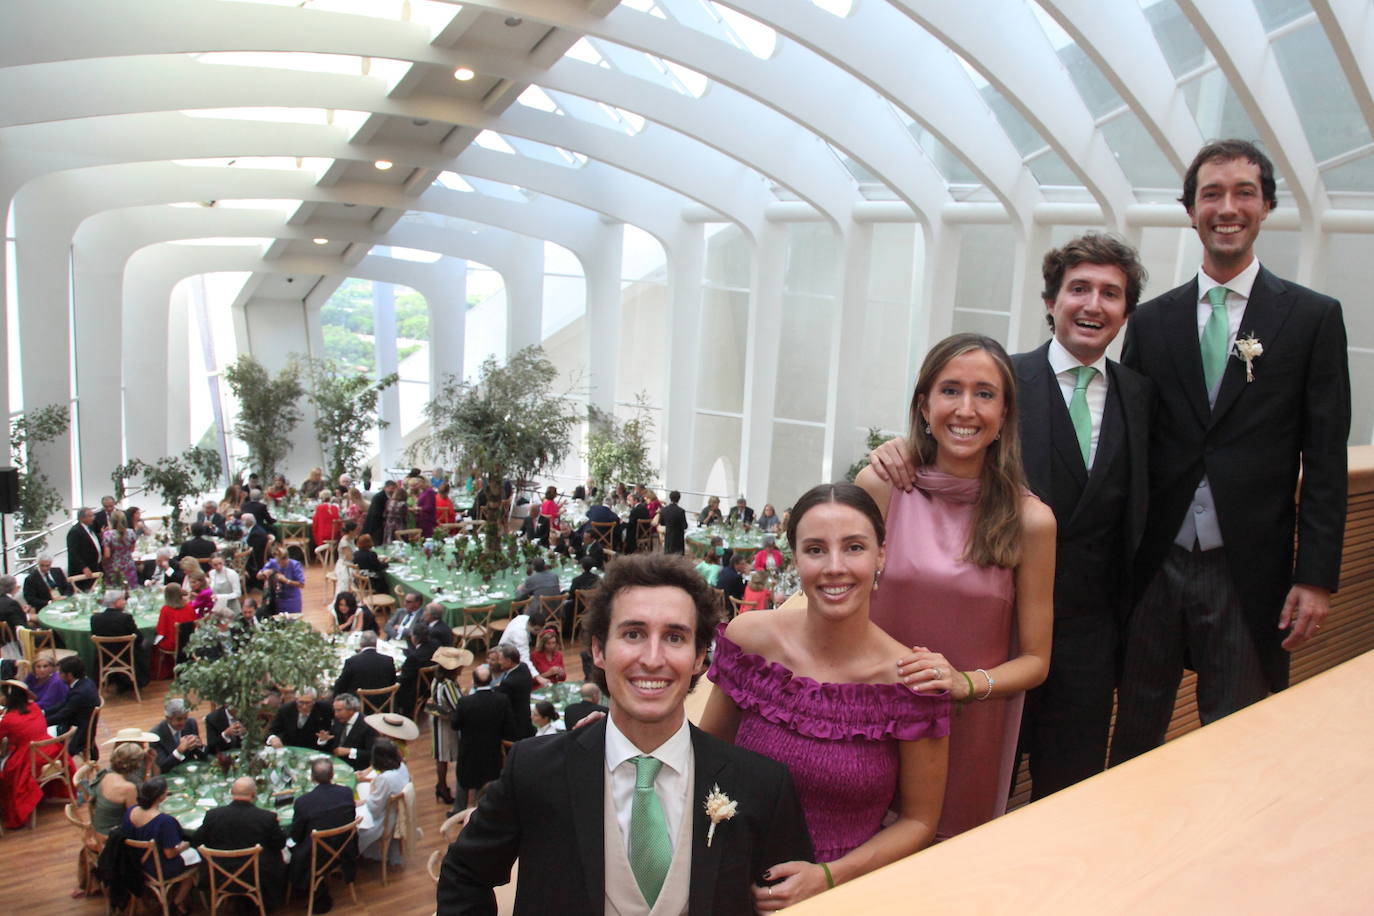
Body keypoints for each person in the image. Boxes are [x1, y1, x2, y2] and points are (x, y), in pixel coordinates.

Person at [868, 239, 1152, 799]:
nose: (1093, 304)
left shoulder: (1141, 396)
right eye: (1078, 289)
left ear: (1126, 312)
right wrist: (899, 448)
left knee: (1064, 795)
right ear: (1050, 301)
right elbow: (950, 425)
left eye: (1110, 293)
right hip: (968, 633)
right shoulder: (1000, 375)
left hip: (1080, 645)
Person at [1109, 141, 1352, 765]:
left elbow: (1325, 461)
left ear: (1266, 206)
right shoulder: (1153, 321)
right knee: (1133, 736)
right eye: (1211, 194)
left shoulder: (1312, 319)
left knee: (1238, 743)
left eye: (1244, 192)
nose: (1227, 207)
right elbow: (1123, 442)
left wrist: (1315, 577)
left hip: (1248, 570)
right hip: (1153, 565)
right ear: (1190, 210)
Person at [439, 551, 814, 914]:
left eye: (674, 637)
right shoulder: (533, 770)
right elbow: (464, 873)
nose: (652, 658)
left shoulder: (762, 785)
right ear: (599, 651)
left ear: (700, 657)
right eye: (633, 634)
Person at [701, 485, 949, 905]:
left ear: (881, 556)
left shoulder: (912, 682)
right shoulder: (750, 640)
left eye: (854, 547)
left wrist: (828, 878)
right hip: (730, 877)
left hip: (842, 894)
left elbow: (920, 822)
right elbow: (705, 756)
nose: (835, 567)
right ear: (794, 557)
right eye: (816, 549)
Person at [854, 333, 1055, 839]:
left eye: (985, 393)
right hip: (867, 712)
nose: (966, 409)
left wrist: (965, 683)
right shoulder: (881, 488)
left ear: (1005, 414)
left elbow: (1036, 661)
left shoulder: (1030, 520)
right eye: (950, 390)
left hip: (967, 726)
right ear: (924, 405)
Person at [192, 776, 288, 910]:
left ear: (231, 793)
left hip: (219, 875)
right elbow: (280, 844)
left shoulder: (213, 816)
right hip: (257, 876)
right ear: (254, 794)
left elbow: (197, 841)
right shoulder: (267, 818)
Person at [2, 679, 75, 828]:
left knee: (5, 771)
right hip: (52, 752)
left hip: (31, 758)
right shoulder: (34, 707)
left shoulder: (9, 720)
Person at [289, 758, 358, 913]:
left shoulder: (303, 802)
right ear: (332, 774)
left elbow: (296, 835)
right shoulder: (346, 792)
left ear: (312, 778)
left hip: (316, 855)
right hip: (344, 848)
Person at [448, 663, 518, 811]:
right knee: (489, 779)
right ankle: (486, 810)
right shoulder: (502, 700)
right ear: (490, 680)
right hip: (491, 748)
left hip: (469, 747)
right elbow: (509, 725)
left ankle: (458, 811)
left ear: (474, 681)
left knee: (463, 779)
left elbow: (455, 724)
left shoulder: (464, 702)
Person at [121, 777, 195, 913]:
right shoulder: (165, 822)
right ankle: (178, 901)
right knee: (197, 858)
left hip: (134, 861)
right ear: (161, 797)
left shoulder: (130, 811)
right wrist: (186, 845)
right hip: (157, 867)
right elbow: (170, 853)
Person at [428, 646, 472, 806]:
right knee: (444, 756)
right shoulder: (448, 685)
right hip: (446, 725)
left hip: (438, 721)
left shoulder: (437, 679)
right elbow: (458, 706)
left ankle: (441, 785)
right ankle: (442, 787)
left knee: (441, 757)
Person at [356, 738, 413, 862]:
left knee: (352, 821)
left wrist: (366, 798)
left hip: (384, 820)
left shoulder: (385, 779)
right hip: (392, 811)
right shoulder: (402, 766)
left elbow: (374, 808)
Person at [91, 590, 149, 688]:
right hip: (126, 656)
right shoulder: (125, 618)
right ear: (115, 602)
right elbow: (139, 638)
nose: (125, 602)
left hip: (105, 656)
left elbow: (94, 635)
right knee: (147, 642)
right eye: (122, 599)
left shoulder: (95, 618)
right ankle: (143, 677)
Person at [45, 656, 100, 755]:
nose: (58, 676)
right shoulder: (86, 682)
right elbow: (64, 704)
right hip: (80, 723)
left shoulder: (79, 693)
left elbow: (63, 715)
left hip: (79, 733)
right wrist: (43, 713)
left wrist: (40, 723)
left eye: (60, 673)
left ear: (69, 675)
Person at [90, 742, 145, 835]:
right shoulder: (128, 788)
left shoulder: (106, 775)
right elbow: (135, 819)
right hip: (112, 837)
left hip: (99, 828)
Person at [490, 643, 535, 739]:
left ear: (509, 661)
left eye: (500, 659)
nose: (498, 662)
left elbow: (496, 700)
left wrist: (495, 687)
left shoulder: (509, 683)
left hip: (514, 727)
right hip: (526, 718)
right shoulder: (524, 667)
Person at [152, 583, 196, 679]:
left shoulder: (166, 610)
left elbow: (161, 630)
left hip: (173, 644)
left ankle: (162, 673)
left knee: (153, 645)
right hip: (189, 642)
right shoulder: (189, 607)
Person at [332, 631, 396, 697]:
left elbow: (340, 686)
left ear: (360, 643)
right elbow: (393, 683)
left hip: (358, 705)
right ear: (376, 643)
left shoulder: (352, 662)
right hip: (385, 704)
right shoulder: (388, 661)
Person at [267, 686, 332, 750]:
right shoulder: (286, 709)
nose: (304, 707)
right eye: (301, 702)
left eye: (307, 703)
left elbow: (327, 734)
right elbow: (273, 730)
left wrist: (323, 740)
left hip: (312, 749)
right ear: (296, 700)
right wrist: (273, 738)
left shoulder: (324, 710)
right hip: (287, 747)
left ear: (314, 701)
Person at [323, 692, 378, 768]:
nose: (336, 714)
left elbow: (373, 754)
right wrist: (324, 740)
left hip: (357, 768)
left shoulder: (368, 725)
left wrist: (349, 751)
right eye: (335, 710)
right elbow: (334, 746)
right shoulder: (338, 720)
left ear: (351, 710)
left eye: (339, 710)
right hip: (336, 764)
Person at [151, 697, 206, 772]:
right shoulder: (155, 735)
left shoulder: (191, 723)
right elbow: (162, 767)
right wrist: (179, 750)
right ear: (168, 718)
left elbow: (202, 755)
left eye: (185, 718)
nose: (183, 723)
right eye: (179, 719)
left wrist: (200, 746)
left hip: (190, 769)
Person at [258, 546, 305, 615]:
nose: (279, 565)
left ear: (286, 559)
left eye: (281, 562)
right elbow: (258, 576)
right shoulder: (273, 562)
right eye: (278, 562)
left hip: (292, 599)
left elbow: (301, 584)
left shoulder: (295, 565)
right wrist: (264, 573)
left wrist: (286, 580)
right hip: (278, 599)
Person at [66, 508, 102, 588]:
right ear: (82, 518)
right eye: (90, 516)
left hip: (94, 566)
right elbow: (73, 552)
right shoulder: (75, 531)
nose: (93, 518)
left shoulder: (90, 528)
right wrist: (83, 567)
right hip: (82, 570)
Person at [332, 519, 358, 602]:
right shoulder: (344, 542)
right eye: (356, 530)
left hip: (350, 564)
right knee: (349, 577)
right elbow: (350, 558)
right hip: (345, 565)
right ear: (351, 531)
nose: (357, 532)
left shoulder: (351, 539)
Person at [242, 512, 271, 583]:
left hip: (256, 559)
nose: (241, 522)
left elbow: (253, 550)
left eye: (242, 520)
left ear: (247, 522)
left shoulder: (256, 534)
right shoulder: (255, 528)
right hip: (256, 553)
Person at [658, 490, 688, 555]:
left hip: (668, 535)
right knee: (678, 556)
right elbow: (685, 526)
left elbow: (662, 523)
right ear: (679, 499)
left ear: (670, 498)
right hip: (678, 537)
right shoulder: (681, 511)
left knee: (668, 554)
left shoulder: (664, 510)